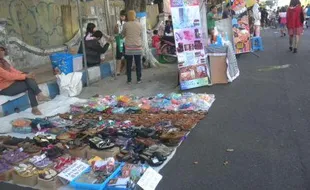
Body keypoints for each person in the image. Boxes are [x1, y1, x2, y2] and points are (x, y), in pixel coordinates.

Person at [0, 45, 50, 115]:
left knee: (27, 77)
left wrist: (27, 75)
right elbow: (8, 76)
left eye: (2, 50)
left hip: (11, 83)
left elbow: (14, 71)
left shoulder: (3, 62)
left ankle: (37, 101)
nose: (1, 52)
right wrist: (25, 76)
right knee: (29, 84)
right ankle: (36, 102)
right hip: (4, 88)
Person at [121, 10, 143, 84]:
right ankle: (139, 79)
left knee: (129, 64)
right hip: (137, 46)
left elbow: (122, 35)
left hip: (129, 47)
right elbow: (140, 34)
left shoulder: (125, 25)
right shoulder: (139, 24)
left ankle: (129, 80)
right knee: (138, 64)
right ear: (135, 16)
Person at [114, 10, 127, 76]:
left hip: (125, 41)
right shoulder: (117, 22)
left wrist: (123, 35)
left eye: (123, 16)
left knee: (126, 56)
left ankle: (126, 69)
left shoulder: (127, 23)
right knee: (118, 56)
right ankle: (118, 71)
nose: (122, 17)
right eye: (121, 16)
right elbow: (115, 32)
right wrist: (115, 28)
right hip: (119, 41)